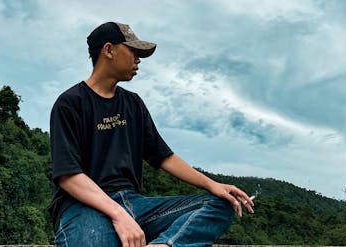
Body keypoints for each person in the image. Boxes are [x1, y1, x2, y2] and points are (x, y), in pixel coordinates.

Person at [49, 22, 254, 247]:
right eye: (133, 51)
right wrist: (119, 216)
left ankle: (164, 246)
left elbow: (163, 156)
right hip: (84, 207)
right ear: (109, 50)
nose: (138, 60)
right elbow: (68, 176)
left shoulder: (133, 103)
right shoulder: (71, 103)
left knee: (221, 205)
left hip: (135, 205)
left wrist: (212, 184)